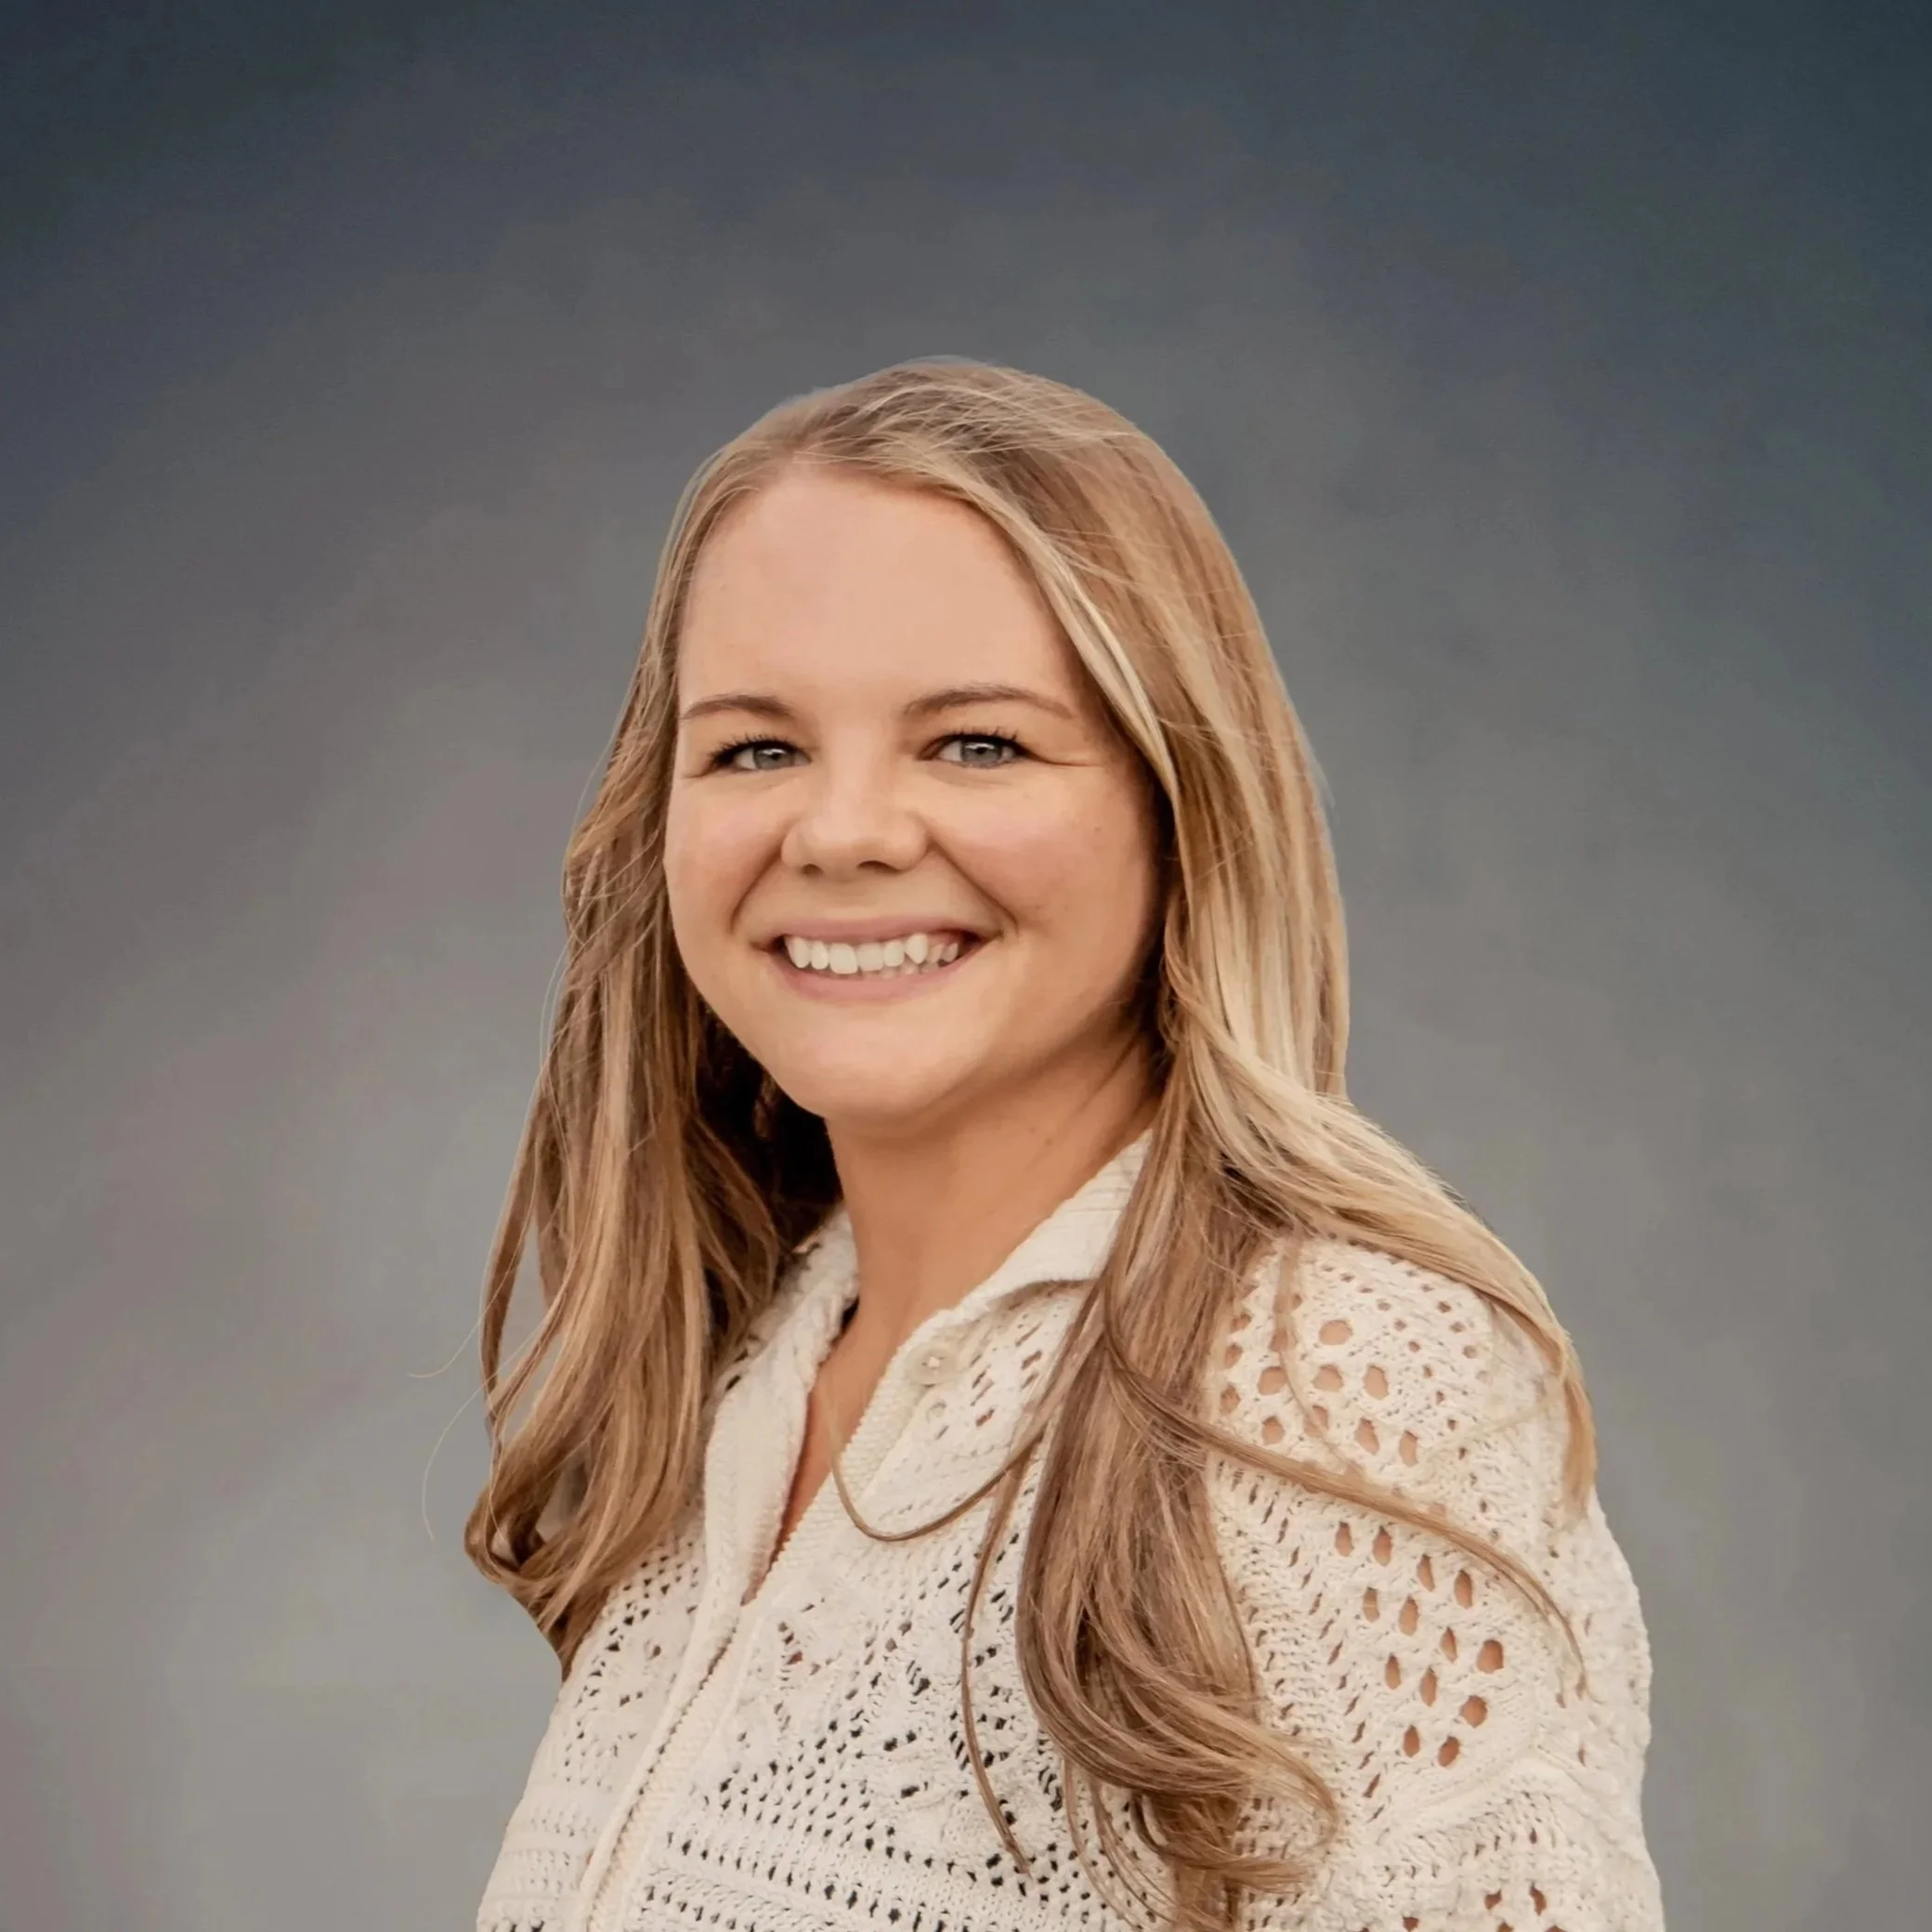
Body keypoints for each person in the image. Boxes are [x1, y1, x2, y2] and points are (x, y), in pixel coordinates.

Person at [467, 359, 1664, 1932]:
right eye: (757, 748)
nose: (841, 832)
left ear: (1182, 812)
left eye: (977, 744)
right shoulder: (741, 1389)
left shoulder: (1337, 1394)